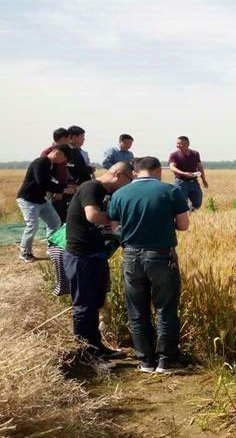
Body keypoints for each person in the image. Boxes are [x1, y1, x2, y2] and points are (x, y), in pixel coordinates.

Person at [108, 156, 190, 374]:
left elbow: (114, 227)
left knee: (137, 310)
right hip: (161, 256)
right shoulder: (171, 191)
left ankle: (145, 361)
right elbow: (183, 225)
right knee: (165, 308)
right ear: (158, 171)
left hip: (131, 256)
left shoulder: (119, 194)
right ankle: (166, 361)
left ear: (135, 172)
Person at [63, 162, 133, 360]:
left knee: (95, 302)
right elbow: (92, 215)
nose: (128, 186)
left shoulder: (104, 192)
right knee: (84, 305)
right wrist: (117, 221)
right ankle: (86, 353)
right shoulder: (91, 187)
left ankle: (96, 347)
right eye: (129, 181)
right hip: (82, 256)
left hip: (96, 255)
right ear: (119, 174)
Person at [16, 145, 74, 262]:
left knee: (55, 222)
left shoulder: (52, 165)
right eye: (64, 158)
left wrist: (66, 186)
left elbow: (52, 181)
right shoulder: (41, 162)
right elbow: (42, 182)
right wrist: (63, 190)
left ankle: (52, 249)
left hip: (40, 199)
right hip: (28, 199)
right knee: (32, 225)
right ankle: (25, 252)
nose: (63, 161)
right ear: (58, 153)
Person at [168, 136, 208, 211]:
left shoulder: (195, 154)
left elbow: (200, 167)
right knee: (181, 203)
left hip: (194, 182)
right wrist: (184, 173)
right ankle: (184, 215)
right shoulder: (174, 155)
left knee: (197, 202)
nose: (178, 145)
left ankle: (190, 214)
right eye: (177, 143)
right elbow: (172, 167)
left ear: (188, 144)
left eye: (181, 144)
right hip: (181, 183)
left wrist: (203, 180)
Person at [41, 128, 71, 220]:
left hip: (61, 187)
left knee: (62, 213)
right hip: (53, 190)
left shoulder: (64, 151)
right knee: (54, 215)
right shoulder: (48, 153)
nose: (69, 141)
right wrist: (57, 190)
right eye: (68, 139)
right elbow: (48, 175)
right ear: (62, 139)